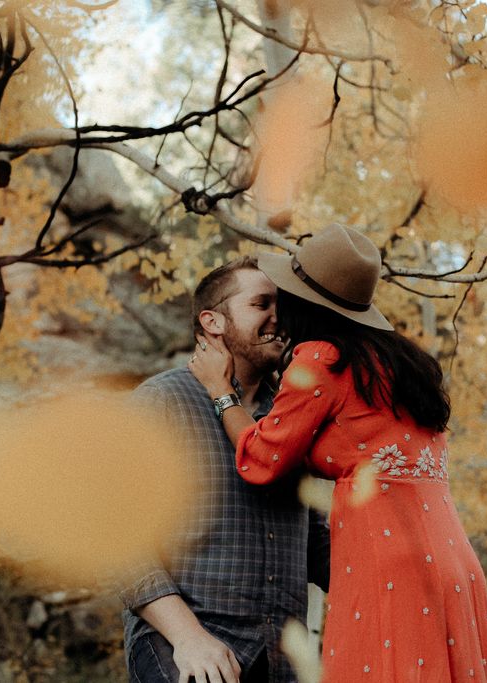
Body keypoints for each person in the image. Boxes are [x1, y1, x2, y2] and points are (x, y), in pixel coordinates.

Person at [190, 224, 487, 682]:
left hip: (387, 560)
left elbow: (260, 460)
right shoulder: (399, 363)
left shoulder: (321, 359)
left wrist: (221, 393)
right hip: (453, 559)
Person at [119, 257, 331, 683]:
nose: (279, 318)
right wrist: (189, 638)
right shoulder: (159, 402)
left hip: (282, 663)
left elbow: (318, 543)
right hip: (187, 648)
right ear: (212, 321)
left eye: (282, 306)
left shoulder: (293, 415)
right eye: (262, 304)